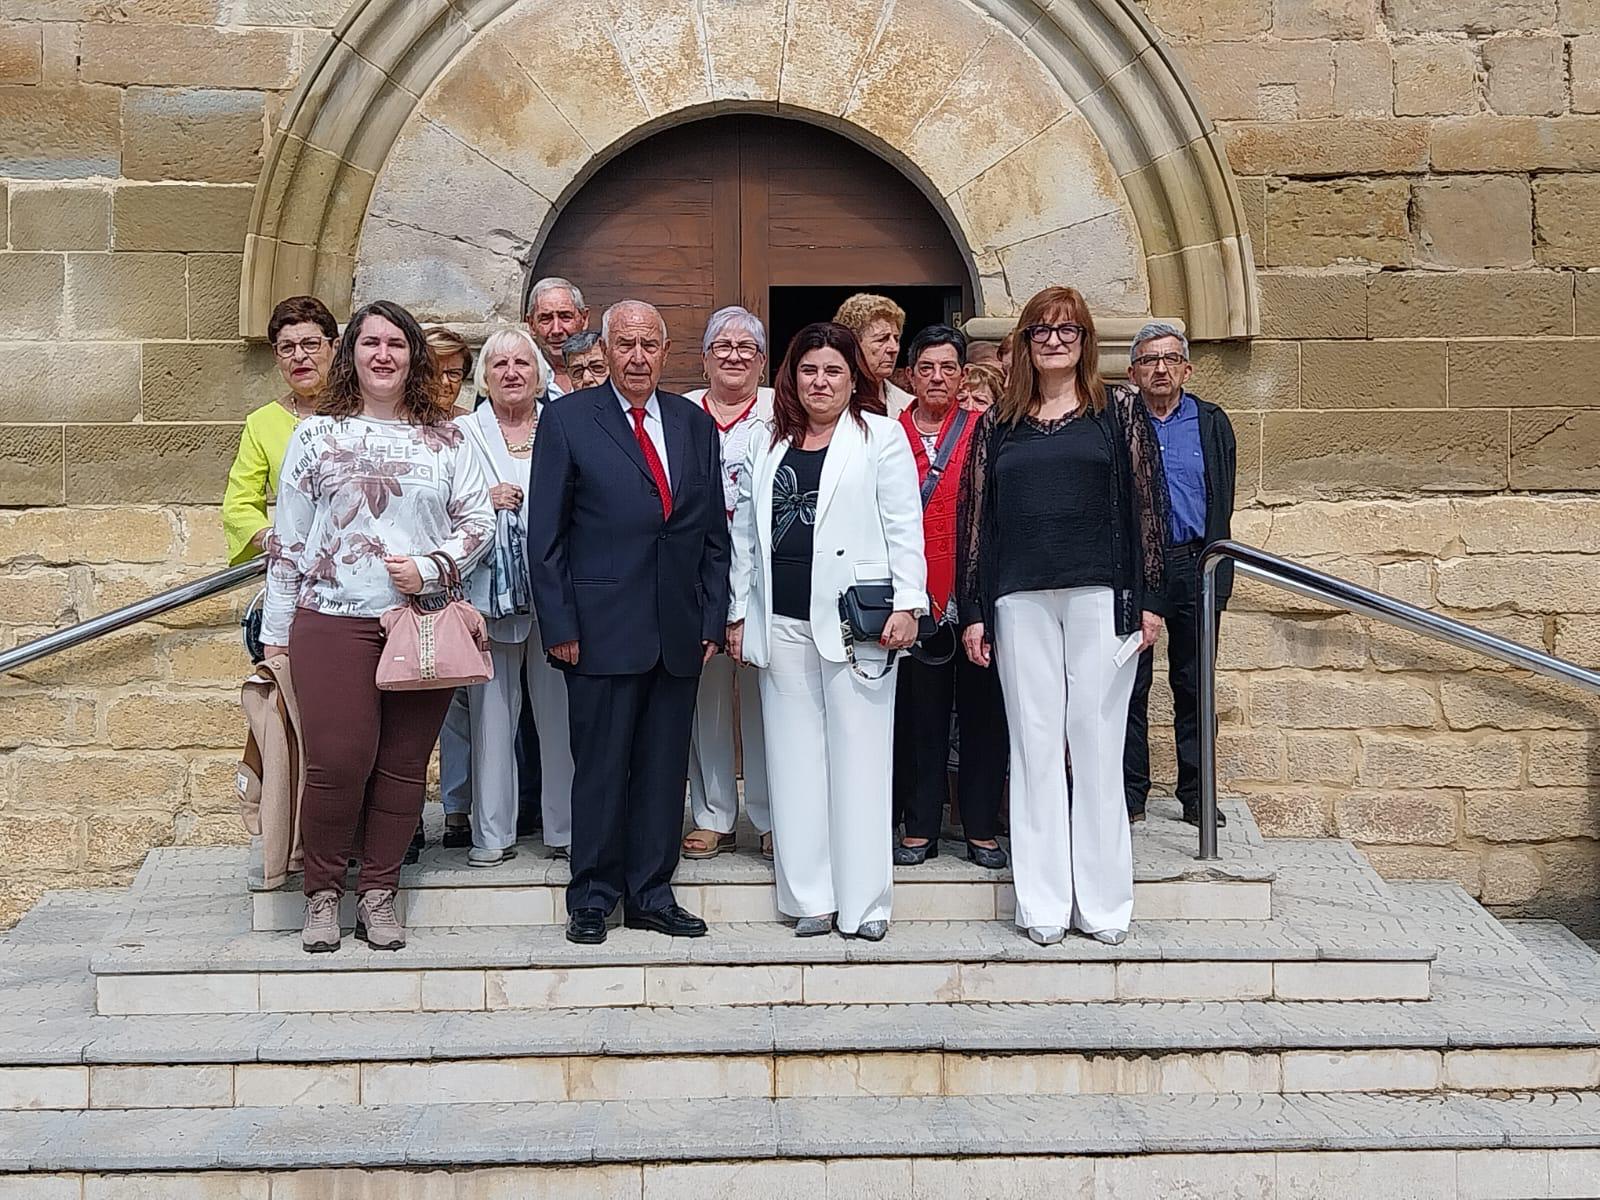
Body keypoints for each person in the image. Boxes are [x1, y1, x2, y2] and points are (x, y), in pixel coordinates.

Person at [260, 300, 494, 954]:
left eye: (396, 343)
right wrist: (276, 633)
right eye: (371, 343)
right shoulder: (317, 435)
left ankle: (380, 893)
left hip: (421, 622)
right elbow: (289, 538)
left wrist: (430, 565)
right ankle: (323, 891)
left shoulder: (450, 437)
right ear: (352, 355)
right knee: (339, 761)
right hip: (332, 620)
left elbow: (480, 523)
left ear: (414, 355)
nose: (384, 355)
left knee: (401, 768)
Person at [958, 286, 1169, 948]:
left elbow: (1147, 507)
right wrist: (973, 612)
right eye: (1041, 331)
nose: (1054, 340)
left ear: (1085, 340)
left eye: (1067, 330)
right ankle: (1044, 902)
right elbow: (977, 523)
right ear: (1022, 343)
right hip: (1019, 597)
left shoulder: (1118, 414)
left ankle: (1104, 904)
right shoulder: (1000, 423)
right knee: (1036, 745)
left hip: (1099, 594)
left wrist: (1152, 598)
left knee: (1098, 745)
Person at [527, 299, 729, 945]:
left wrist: (710, 618)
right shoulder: (567, 420)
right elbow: (546, 538)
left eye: (650, 345)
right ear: (605, 350)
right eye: (625, 344)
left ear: (666, 353)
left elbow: (713, 533)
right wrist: (559, 624)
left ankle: (650, 892)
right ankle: (591, 897)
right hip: (597, 629)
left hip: (676, 632)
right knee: (602, 769)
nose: (638, 357)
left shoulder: (694, 425)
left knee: (664, 770)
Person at [727, 321, 926, 941]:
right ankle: (809, 896)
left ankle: (864, 904)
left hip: (856, 622)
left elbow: (904, 525)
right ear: (792, 376)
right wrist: (738, 611)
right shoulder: (770, 443)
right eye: (810, 369)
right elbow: (745, 539)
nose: (821, 381)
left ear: (853, 378)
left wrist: (909, 604)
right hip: (782, 621)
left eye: (834, 371)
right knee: (793, 762)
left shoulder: (881, 437)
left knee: (860, 760)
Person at [456, 328, 576, 866]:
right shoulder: (462, 433)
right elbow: (441, 501)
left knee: (559, 716)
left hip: (555, 593)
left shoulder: (564, 425)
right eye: (499, 363)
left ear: (540, 374)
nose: (510, 372)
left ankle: (565, 830)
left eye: (521, 363)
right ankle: (492, 835)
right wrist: (486, 499)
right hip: (488, 595)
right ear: (484, 376)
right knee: (492, 717)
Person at [890, 325, 1008, 871]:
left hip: (978, 591)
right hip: (916, 597)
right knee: (920, 713)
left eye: (948, 368)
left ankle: (981, 827)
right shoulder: (889, 434)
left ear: (962, 375)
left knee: (984, 713)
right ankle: (920, 825)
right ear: (910, 375)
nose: (937, 377)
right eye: (926, 368)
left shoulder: (989, 431)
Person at [1122, 322, 1237, 828]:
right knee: (1130, 682)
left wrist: (1219, 566)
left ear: (1187, 368)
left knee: (1195, 682)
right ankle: (1130, 795)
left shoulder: (1211, 422)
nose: (1160, 369)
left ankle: (1196, 793)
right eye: (1149, 360)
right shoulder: (1120, 422)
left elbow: (1223, 497)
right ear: (1133, 372)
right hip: (1137, 565)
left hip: (1196, 562)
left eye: (1170, 359)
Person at [682, 306, 775, 860]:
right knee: (707, 695)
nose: (735, 355)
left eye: (747, 347)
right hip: (696, 574)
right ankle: (713, 812)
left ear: (762, 362)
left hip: (763, 574)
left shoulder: (779, 413)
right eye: (723, 346)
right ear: (705, 358)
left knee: (767, 695)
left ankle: (767, 814)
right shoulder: (684, 412)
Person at [222, 296, 337, 565]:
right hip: (299, 570)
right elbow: (240, 503)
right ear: (276, 356)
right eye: (287, 347)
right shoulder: (262, 423)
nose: (299, 356)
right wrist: (268, 538)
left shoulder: (365, 410)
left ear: (335, 347)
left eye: (310, 344)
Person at [422, 325, 477, 859]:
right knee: (404, 699)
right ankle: (408, 812)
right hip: (403, 581)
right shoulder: (402, 427)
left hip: (459, 576)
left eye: (456, 373)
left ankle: (458, 806)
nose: (445, 383)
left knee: (459, 699)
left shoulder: (470, 429)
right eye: (436, 370)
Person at [833, 293, 910, 418]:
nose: (894, 348)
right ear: (854, 343)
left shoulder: (908, 405)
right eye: (882, 339)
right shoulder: (828, 400)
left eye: (896, 339)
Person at [526, 276, 590, 396]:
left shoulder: (605, 374)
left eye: (565, 316)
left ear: (584, 319)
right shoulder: (519, 377)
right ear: (531, 325)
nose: (556, 330)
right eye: (546, 319)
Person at [425, 326, 474, 411]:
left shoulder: (472, 423)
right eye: (435, 372)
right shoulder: (397, 422)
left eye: (453, 373)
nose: (445, 382)